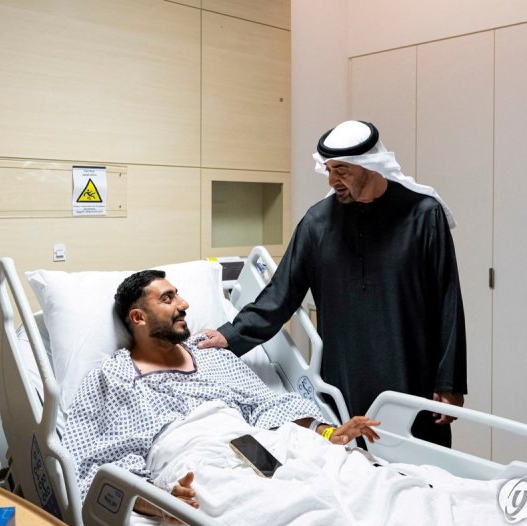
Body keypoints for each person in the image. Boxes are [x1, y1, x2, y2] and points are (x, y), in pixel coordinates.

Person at [199, 120, 467, 447]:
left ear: (369, 165)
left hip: (412, 369)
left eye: (342, 171)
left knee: (424, 464)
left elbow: (447, 301)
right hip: (346, 372)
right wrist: (231, 335)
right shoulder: (318, 223)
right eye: (328, 170)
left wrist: (450, 381)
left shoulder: (423, 215)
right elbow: (281, 293)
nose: (331, 180)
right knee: (356, 461)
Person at [62, 269, 380, 518]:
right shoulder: (113, 377)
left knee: (351, 482)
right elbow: (97, 464)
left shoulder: (211, 356)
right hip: (193, 462)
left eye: (178, 295)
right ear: (138, 317)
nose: (183, 304)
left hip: (255, 445)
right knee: (281, 512)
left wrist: (327, 432)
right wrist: (158, 501)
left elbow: (268, 406)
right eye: (168, 298)